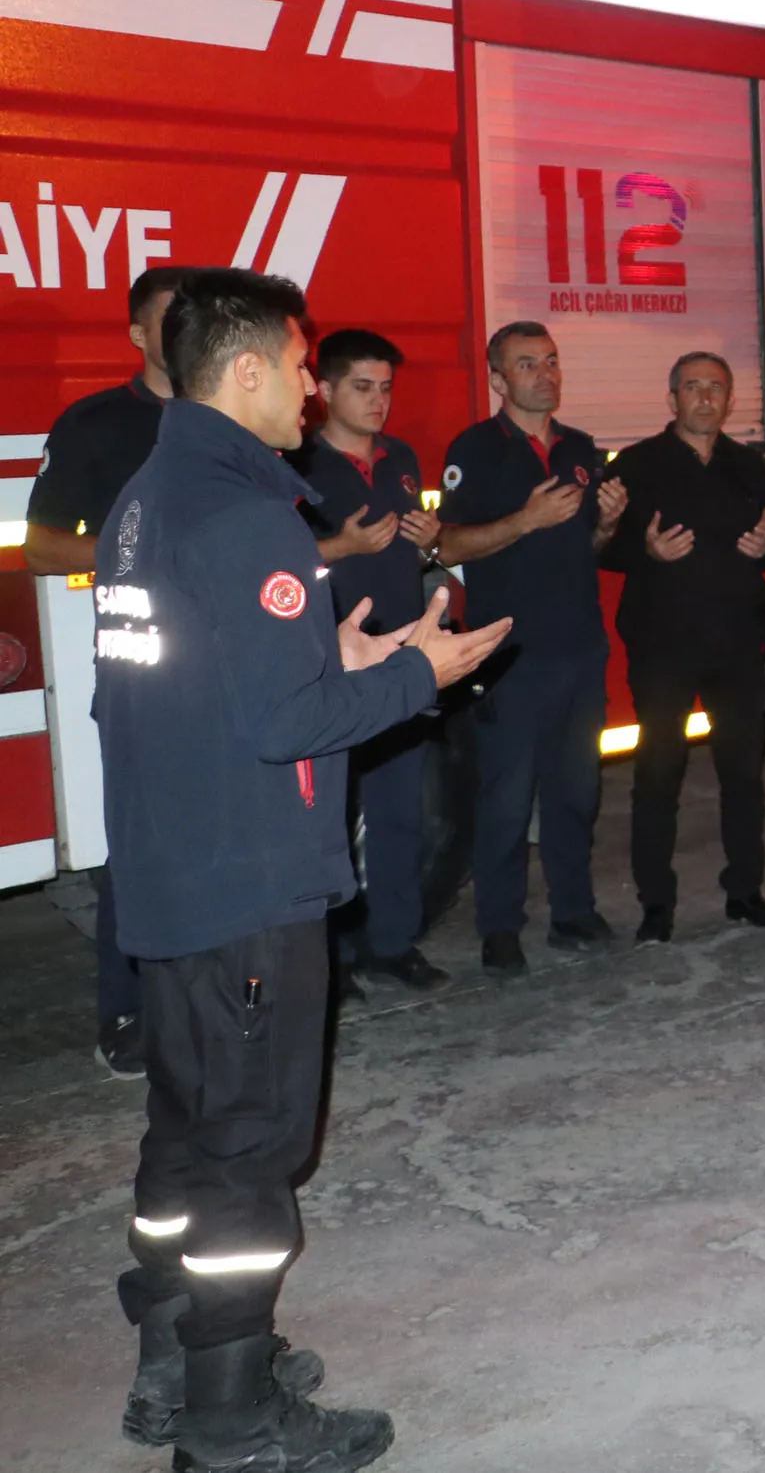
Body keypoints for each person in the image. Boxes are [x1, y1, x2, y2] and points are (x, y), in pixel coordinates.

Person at [96, 268, 506, 1471]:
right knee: (251, 1153)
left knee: (183, 1134)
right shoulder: (246, 513)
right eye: (302, 363)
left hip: (173, 874)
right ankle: (232, 1420)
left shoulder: (148, 497)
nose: (314, 386)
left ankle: (172, 1359)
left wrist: (330, 652)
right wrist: (416, 674)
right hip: (248, 879)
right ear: (246, 372)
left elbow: (196, 679)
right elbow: (286, 726)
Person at [25, 263, 191, 1077]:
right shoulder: (96, 424)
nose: (186, 331)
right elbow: (42, 547)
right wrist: (137, 554)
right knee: (141, 847)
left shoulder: (234, 421)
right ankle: (125, 1010)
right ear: (136, 334)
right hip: (143, 670)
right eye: (169, 318)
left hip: (234, 669)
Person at [436, 323, 629, 975]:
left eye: (551, 362)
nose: (545, 375)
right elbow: (449, 548)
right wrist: (526, 519)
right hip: (510, 657)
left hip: (578, 648)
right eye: (526, 365)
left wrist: (604, 523)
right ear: (498, 379)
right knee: (507, 799)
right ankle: (500, 928)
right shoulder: (476, 449)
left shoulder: (580, 450)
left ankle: (573, 912)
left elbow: (586, 550)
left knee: (575, 791)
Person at [601, 352, 765, 944]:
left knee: (743, 774)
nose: (705, 398)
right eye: (692, 388)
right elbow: (604, 549)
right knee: (659, 774)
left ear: (730, 401)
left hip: (736, 641)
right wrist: (646, 552)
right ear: (672, 399)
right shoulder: (636, 465)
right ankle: (657, 905)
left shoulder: (749, 466)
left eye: (716, 388)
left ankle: (745, 892)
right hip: (664, 643)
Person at [291, 330, 448, 988]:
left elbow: (413, 552)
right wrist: (339, 547)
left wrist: (431, 541)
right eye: (363, 387)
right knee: (322, 822)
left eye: (386, 387)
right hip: (326, 668)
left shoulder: (401, 459)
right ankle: (330, 960)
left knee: (399, 814)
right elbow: (265, 569)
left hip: (401, 664)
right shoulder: (294, 465)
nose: (379, 400)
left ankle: (393, 943)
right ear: (322, 391)